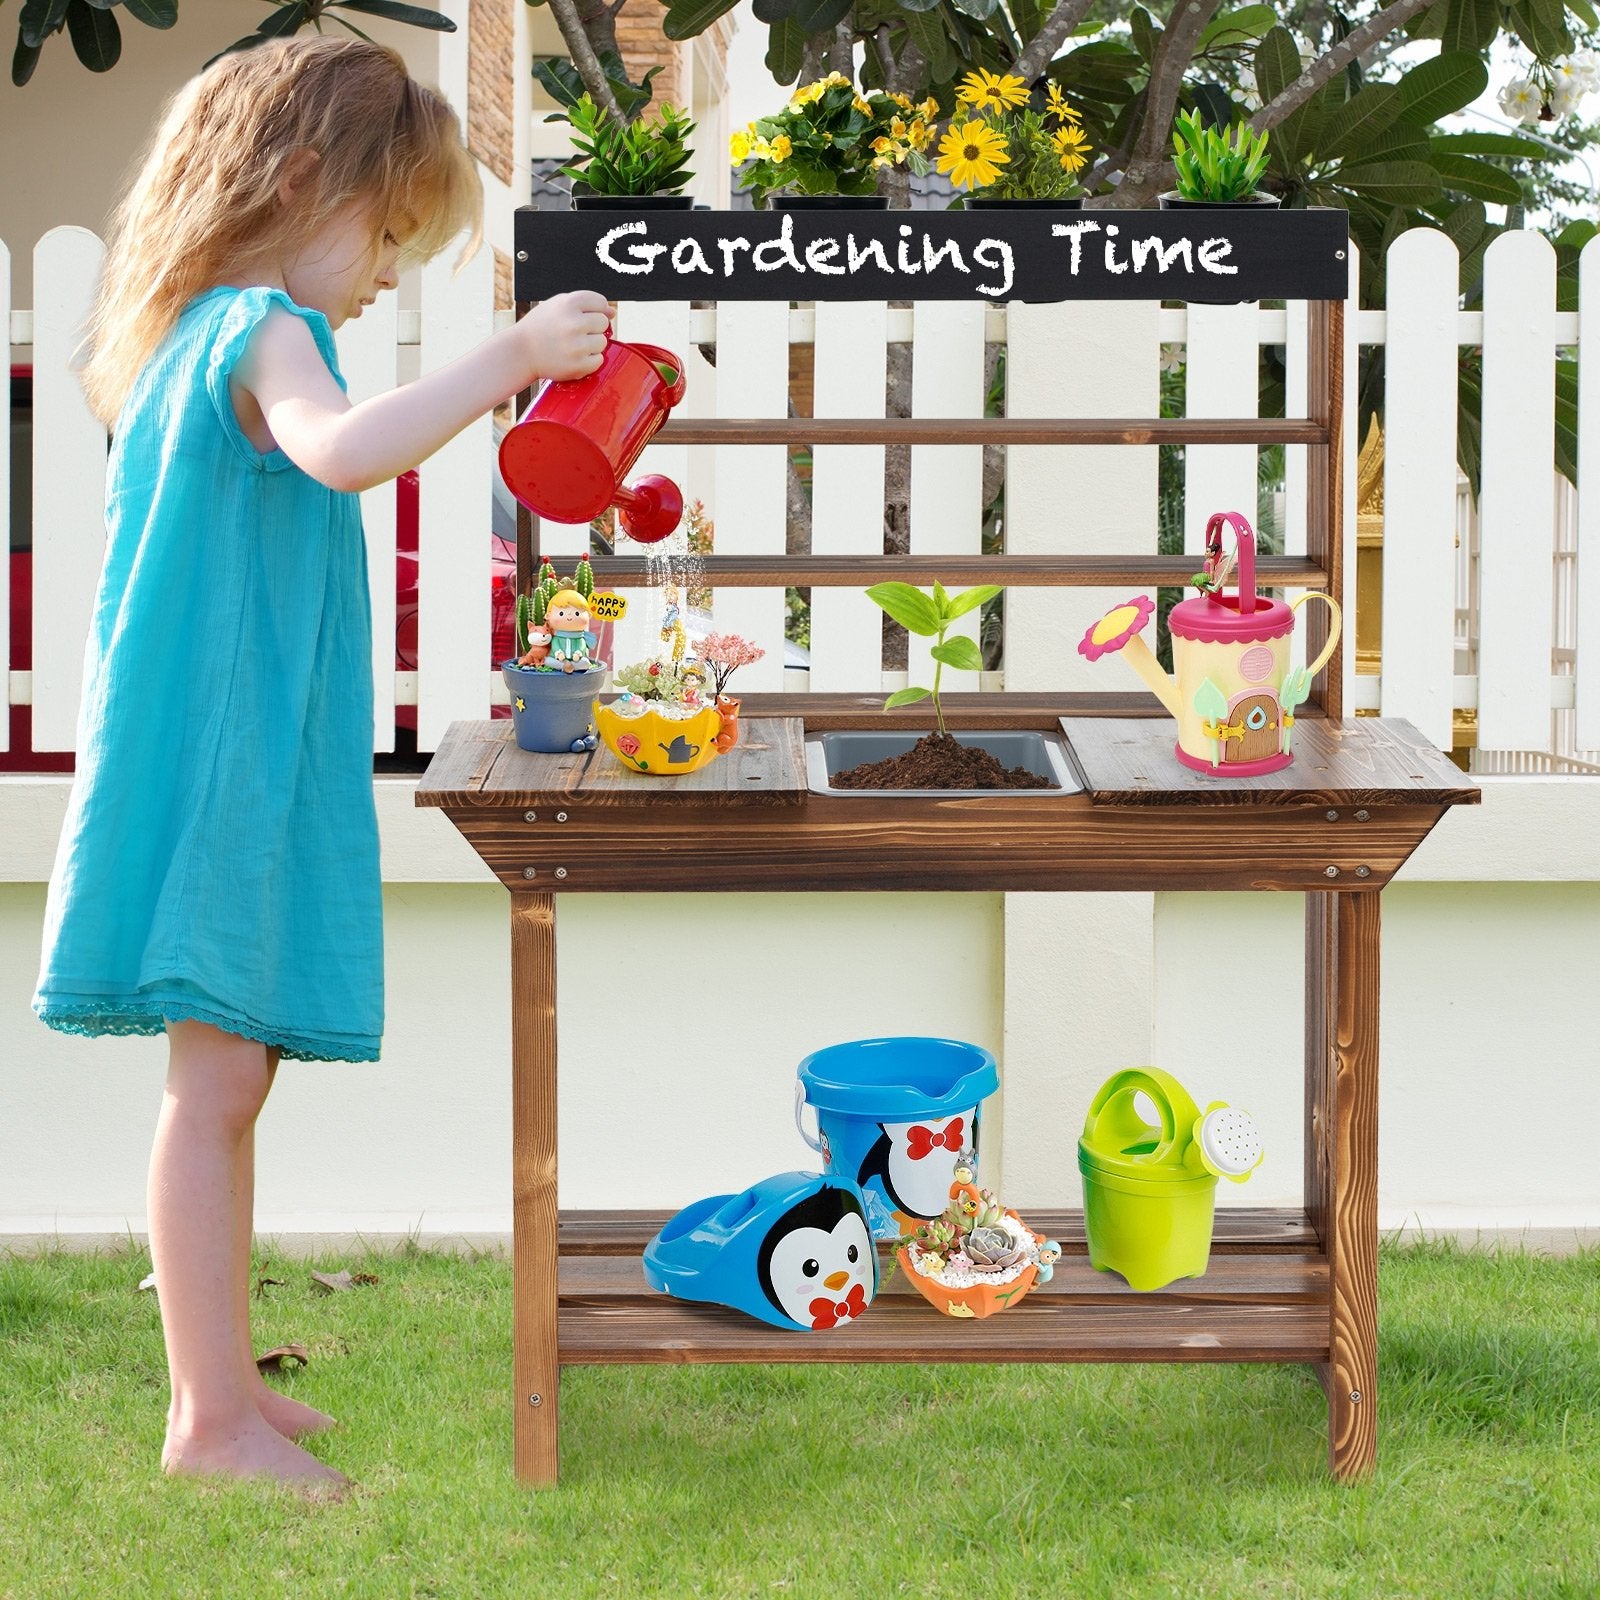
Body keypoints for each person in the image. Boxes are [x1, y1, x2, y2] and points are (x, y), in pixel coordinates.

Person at [32, 35, 611, 1495]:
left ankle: (224, 1387)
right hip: (227, 759)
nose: (387, 274)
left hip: (208, 745)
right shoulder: (264, 331)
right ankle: (207, 1421)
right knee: (215, 1089)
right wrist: (512, 362)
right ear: (303, 183)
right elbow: (343, 453)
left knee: (228, 1084)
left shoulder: (188, 330)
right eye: (388, 233)